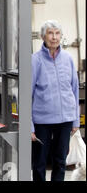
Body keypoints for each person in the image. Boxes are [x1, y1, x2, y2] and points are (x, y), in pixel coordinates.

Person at [31, 20, 80, 181]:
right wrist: (29, 125)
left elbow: (74, 90)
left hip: (65, 119)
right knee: (39, 162)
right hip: (42, 121)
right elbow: (28, 94)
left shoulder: (68, 59)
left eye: (57, 33)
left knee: (60, 161)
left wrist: (75, 120)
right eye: (50, 33)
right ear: (43, 36)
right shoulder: (35, 60)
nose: (54, 37)